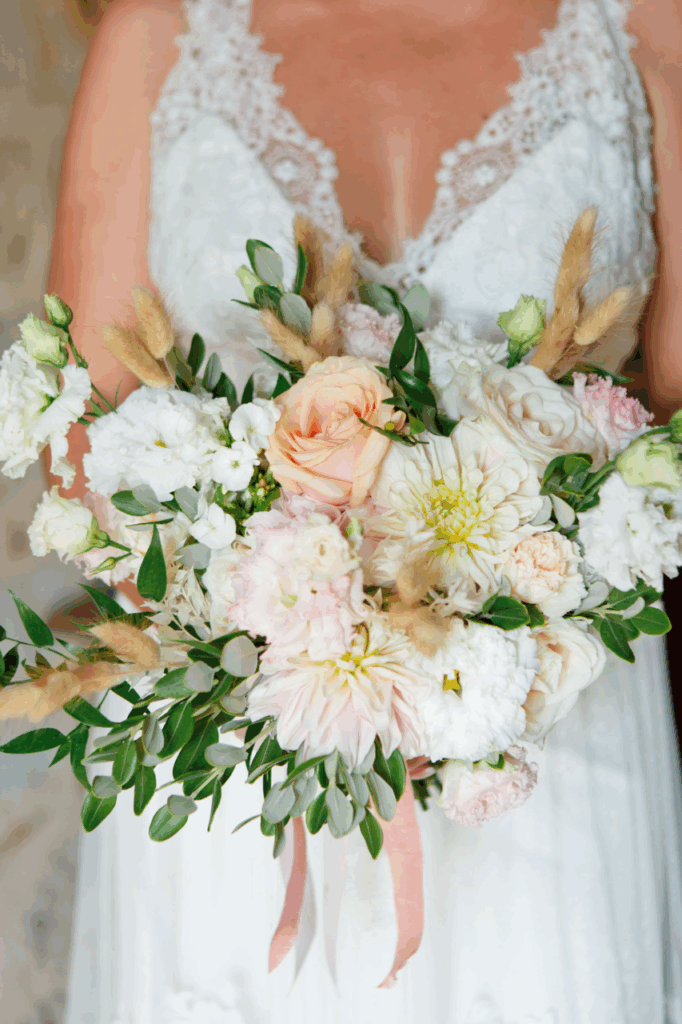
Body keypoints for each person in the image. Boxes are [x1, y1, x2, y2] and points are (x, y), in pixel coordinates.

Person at [49, 0, 682, 1020]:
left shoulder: (644, 24)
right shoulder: (160, 29)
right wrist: (294, 631)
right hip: (240, 759)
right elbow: (83, 438)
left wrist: (484, 622)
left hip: (547, 740)